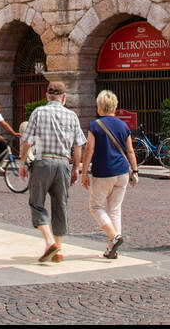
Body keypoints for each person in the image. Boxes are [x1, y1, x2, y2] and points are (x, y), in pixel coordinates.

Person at [18, 81, 85, 263]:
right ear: (64, 97)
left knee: (36, 203)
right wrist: (76, 168)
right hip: (63, 163)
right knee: (60, 204)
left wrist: (22, 162)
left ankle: (49, 242)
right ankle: (59, 248)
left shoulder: (39, 112)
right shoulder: (72, 116)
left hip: (43, 161)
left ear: (47, 95)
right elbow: (78, 145)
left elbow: (27, 140)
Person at [81, 89, 135, 258]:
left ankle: (114, 236)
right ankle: (112, 249)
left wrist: (84, 172)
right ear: (114, 106)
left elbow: (89, 150)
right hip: (122, 172)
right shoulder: (123, 125)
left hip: (104, 171)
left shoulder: (95, 125)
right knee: (115, 209)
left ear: (99, 107)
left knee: (96, 206)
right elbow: (130, 151)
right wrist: (135, 170)